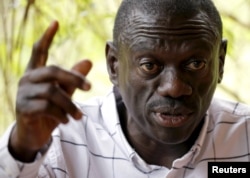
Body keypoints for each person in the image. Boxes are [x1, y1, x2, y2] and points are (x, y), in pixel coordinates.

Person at [0, 0, 250, 177]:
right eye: (149, 65)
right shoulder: (62, 141)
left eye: (196, 64)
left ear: (220, 63)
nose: (174, 88)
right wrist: (22, 149)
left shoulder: (245, 136)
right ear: (114, 66)